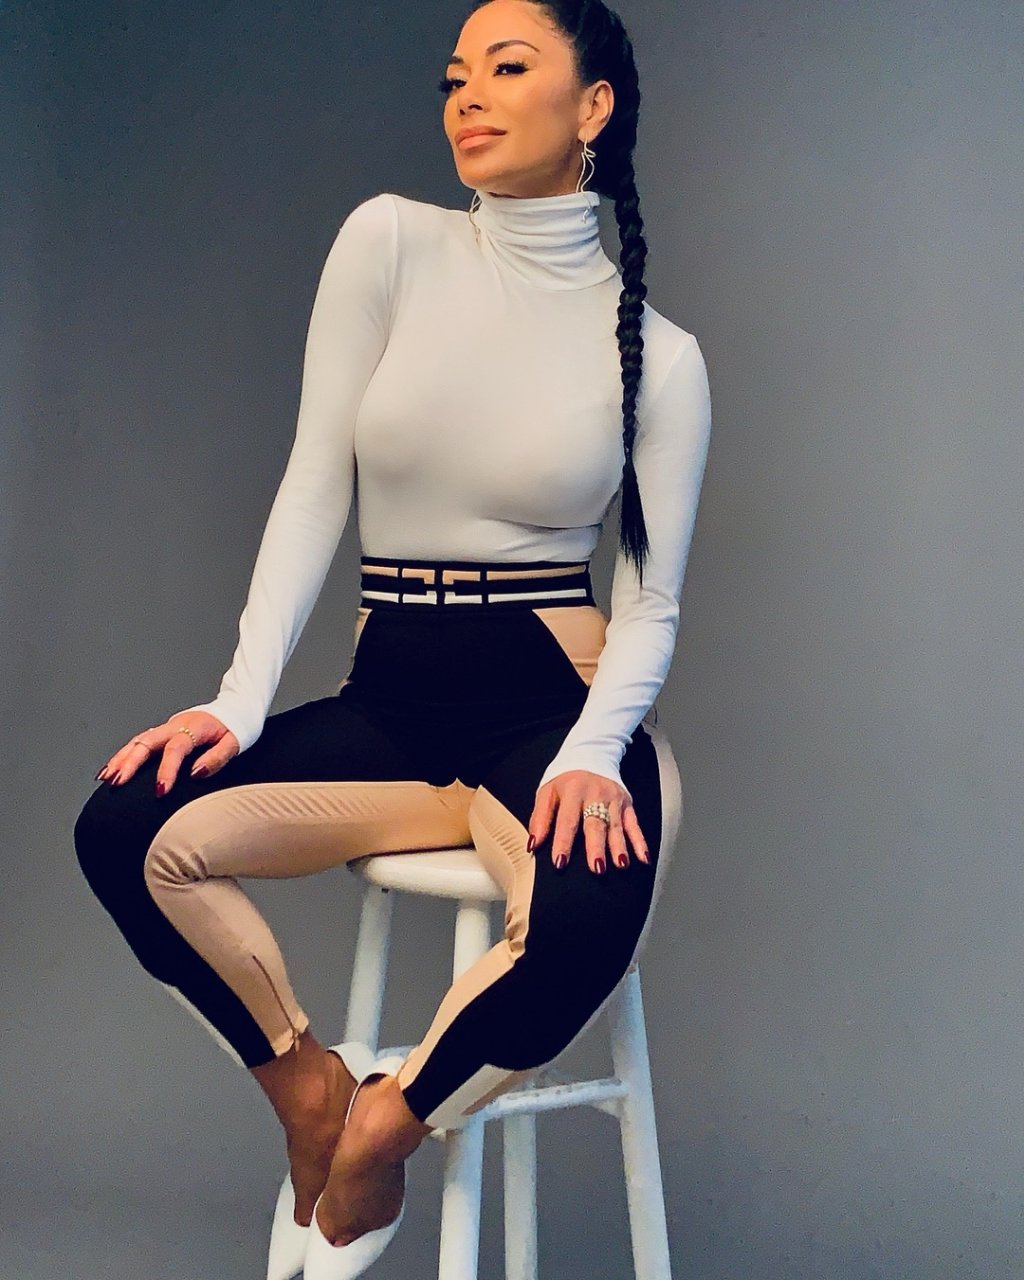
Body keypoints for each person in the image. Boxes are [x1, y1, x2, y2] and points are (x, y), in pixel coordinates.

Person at [73, 1, 712, 1276]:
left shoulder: (661, 354)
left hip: (556, 709)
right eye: (454, 76)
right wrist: (237, 700)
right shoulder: (390, 243)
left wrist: (596, 752)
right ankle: (310, 1086)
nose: (467, 95)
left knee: (590, 912)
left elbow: (650, 599)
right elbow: (314, 482)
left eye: (508, 68)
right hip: (393, 704)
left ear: (592, 107)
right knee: (125, 825)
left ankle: (385, 1122)